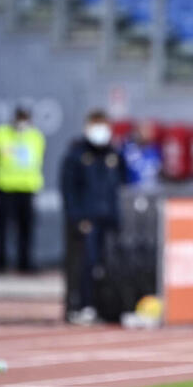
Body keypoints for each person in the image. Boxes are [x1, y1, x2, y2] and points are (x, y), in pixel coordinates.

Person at [60, 110, 125, 325]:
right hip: (86, 220)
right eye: (96, 125)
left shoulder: (113, 155)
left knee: (107, 265)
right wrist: (77, 218)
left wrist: (117, 218)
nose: (100, 131)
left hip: (109, 220)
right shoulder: (76, 155)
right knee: (83, 264)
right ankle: (80, 306)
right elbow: (69, 191)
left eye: (103, 125)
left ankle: (105, 307)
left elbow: (121, 187)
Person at [0, 107, 45, 273]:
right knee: (2, 228)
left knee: (26, 228)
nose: (22, 123)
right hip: (5, 188)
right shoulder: (1, 134)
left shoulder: (35, 136)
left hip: (27, 188)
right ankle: (1, 263)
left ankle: (24, 263)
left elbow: (39, 161)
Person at [120, 120, 162, 188]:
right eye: (144, 131)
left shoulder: (155, 150)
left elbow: (158, 170)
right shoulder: (129, 151)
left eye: (148, 131)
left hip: (152, 188)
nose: (147, 134)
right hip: (133, 189)